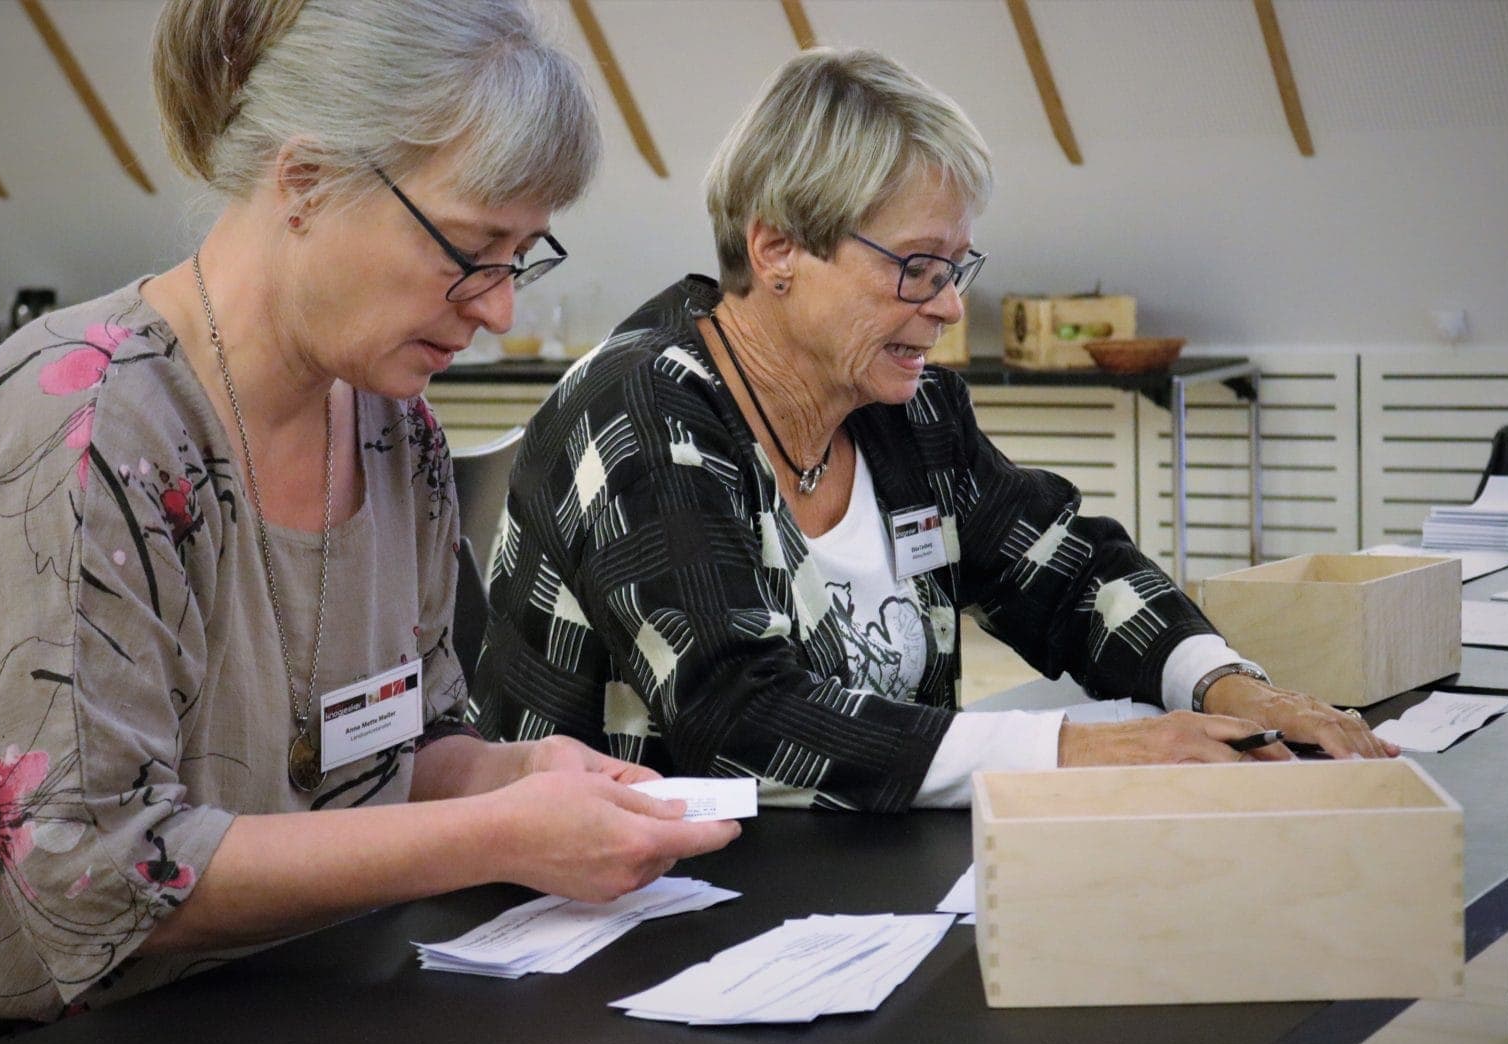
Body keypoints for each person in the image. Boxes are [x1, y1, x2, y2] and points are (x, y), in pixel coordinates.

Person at [0, 0, 738, 1037]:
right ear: (305, 180)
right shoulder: (92, 425)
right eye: (471, 246)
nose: (499, 307)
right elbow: (92, 872)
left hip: (310, 994)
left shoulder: (388, 422)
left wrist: (514, 772)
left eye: (521, 254)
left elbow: (398, 747)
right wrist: (496, 834)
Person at [474, 48, 1397, 812]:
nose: (951, 305)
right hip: (624, 934)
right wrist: (1083, 749)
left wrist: (1229, 687)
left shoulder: (905, 410)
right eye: (917, 267)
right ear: (777, 249)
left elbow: (1070, 572)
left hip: (847, 904)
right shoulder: (644, 409)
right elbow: (742, 717)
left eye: (958, 266)